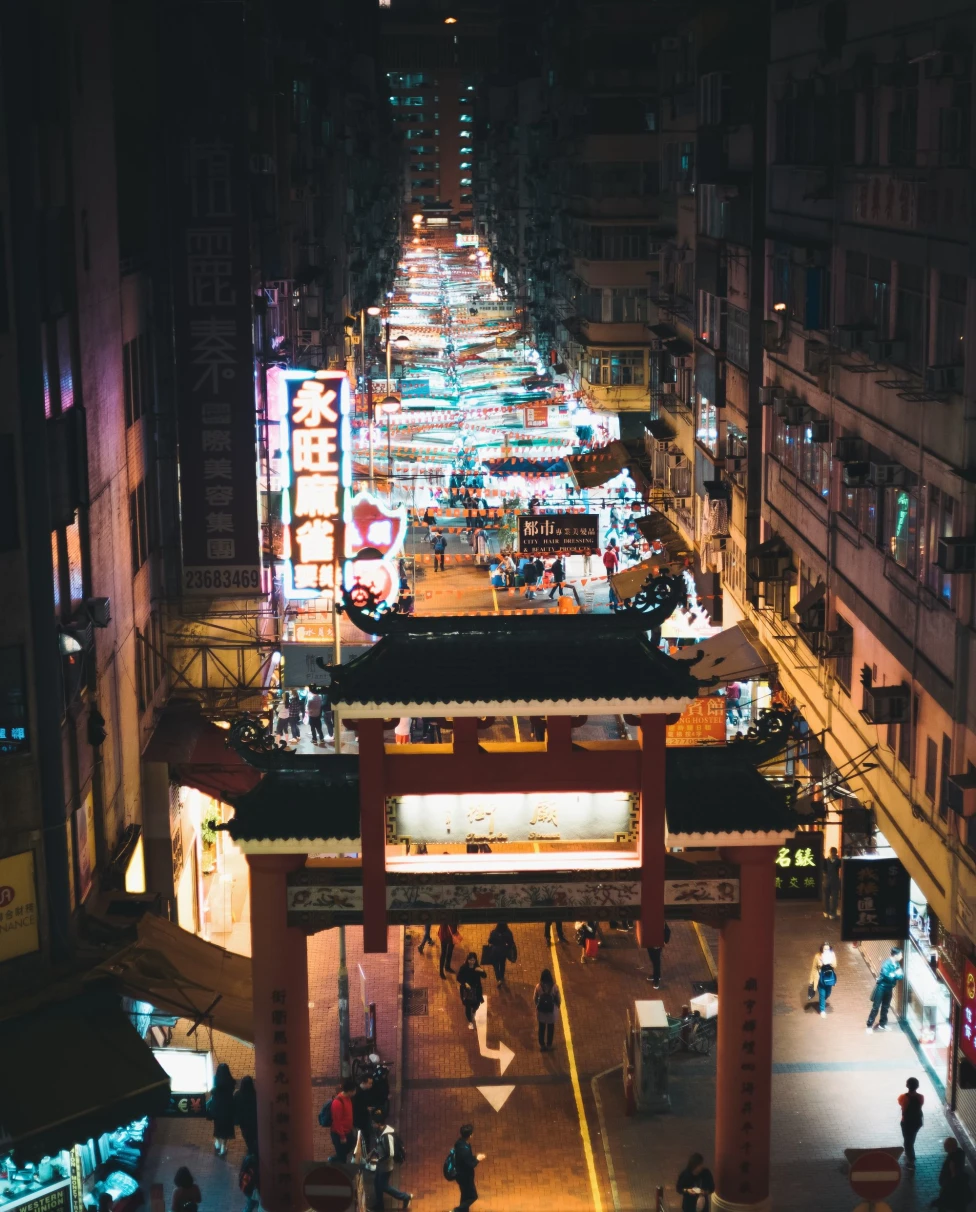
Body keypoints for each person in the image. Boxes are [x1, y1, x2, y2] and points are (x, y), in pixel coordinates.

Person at [368, 1110, 412, 1210]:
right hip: (381, 1164)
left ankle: (405, 1197)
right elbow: (380, 1146)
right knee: (377, 1183)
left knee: (384, 1186)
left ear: (379, 1124)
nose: (372, 1124)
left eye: (374, 1123)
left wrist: (378, 1160)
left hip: (386, 1166)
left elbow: (390, 1153)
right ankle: (379, 1205)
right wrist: (373, 1153)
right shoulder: (380, 1131)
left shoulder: (387, 1136)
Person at [867, 947, 904, 1031]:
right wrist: (895, 974)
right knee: (876, 1007)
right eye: (900, 954)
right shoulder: (886, 964)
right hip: (881, 988)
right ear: (896, 955)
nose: (902, 956)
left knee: (885, 1007)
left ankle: (882, 1024)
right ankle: (869, 1025)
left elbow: (901, 976)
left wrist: (893, 974)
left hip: (889, 988)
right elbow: (887, 977)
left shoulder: (897, 964)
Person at [451, 1123, 485, 1212]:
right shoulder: (465, 1149)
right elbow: (470, 1165)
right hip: (465, 1177)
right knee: (473, 1196)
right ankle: (457, 1210)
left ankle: (463, 1210)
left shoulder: (459, 1143)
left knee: (465, 1195)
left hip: (460, 1174)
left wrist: (474, 1157)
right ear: (470, 1135)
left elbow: (466, 1159)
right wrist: (477, 1159)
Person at [207, 1062, 236, 1156]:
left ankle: (217, 1142)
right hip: (228, 1108)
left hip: (217, 1108)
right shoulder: (231, 1081)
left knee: (217, 1125)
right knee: (226, 1128)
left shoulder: (215, 1080)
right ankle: (223, 1146)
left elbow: (212, 1092)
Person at [935, 1138, 972, 1210]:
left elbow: (954, 1175)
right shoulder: (958, 1153)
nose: (944, 1147)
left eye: (945, 1146)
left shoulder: (953, 1159)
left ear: (951, 1147)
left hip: (950, 1187)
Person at [328, 1077, 357, 1162]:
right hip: (339, 1134)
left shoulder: (348, 1098)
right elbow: (337, 1121)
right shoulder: (338, 1102)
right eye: (354, 1090)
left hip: (348, 1131)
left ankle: (335, 1159)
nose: (355, 1092)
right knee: (342, 1159)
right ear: (350, 1091)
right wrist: (342, 1136)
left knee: (350, 1146)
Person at [456, 952, 488, 1029]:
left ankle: (473, 1011)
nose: (472, 962)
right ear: (467, 960)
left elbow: (484, 976)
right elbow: (458, 978)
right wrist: (465, 983)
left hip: (477, 989)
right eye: (470, 960)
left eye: (473, 960)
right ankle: (470, 1021)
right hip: (467, 990)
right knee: (468, 1005)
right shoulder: (464, 968)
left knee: (477, 1004)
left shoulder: (477, 968)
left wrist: (481, 970)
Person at [898, 1077, 924, 1170]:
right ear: (917, 1086)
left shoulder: (903, 1097)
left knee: (907, 1141)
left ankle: (911, 1161)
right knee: (911, 1139)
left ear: (907, 1085)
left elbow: (901, 1104)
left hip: (906, 1122)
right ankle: (909, 1154)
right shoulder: (921, 1097)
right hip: (917, 1122)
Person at [534, 967, 561, 1051]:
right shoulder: (555, 987)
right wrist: (557, 1006)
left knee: (541, 1029)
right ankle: (549, 1045)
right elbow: (558, 999)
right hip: (551, 1013)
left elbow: (534, 998)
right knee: (550, 1029)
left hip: (541, 1013)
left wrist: (537, 1005)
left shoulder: (538, 987)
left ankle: (542, 1045)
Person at [809, 941, 837, 1015]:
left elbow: (835, 965)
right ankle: (822, 1010)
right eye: (825, 949)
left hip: (828, 977)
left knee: (828, 993)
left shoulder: (832, 955)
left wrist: (829, 961)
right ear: (822, 949)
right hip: (820, 977)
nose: (826, 950)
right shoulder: (817, 956)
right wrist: (811, 981)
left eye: (828, 949)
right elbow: (814, 969)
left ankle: (822, 1001)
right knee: (822, 993)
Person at [233, 1074, 258, 1153]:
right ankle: (254, 1150)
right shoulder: (255, 1094)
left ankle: (250, 1149)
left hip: (243, 1120)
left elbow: (234, 1107)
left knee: (247, 1136)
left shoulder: (237, 1094)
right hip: (254, 1119)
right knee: (255, 1135)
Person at [353, 1074, 376, 1153]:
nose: (371, 1085)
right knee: (363, 1139)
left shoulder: (366, 1091)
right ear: (364, 1083)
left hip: (365, 1119)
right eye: (369, 1083)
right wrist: (366, 1109)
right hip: (360, 1121)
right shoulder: (356, 1093)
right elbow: (355, 1107)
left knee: (366, 1138)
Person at [646, 922, 672, 989]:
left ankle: (656, 980)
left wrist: (664, 941)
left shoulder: (661, 921)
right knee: (653, 960)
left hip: (656, 945)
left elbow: (667, 931)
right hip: (650, 942)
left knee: (656, 962)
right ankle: (656, 976)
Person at [823, 846, 842, 919]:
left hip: (826, 881)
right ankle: (832, 913)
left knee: (826, 897)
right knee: (834, 898)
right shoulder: (838, 861)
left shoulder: (825, 860)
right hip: (835, 881)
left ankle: (826, 912)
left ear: (830, 852)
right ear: (836, 852)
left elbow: (823, 870)